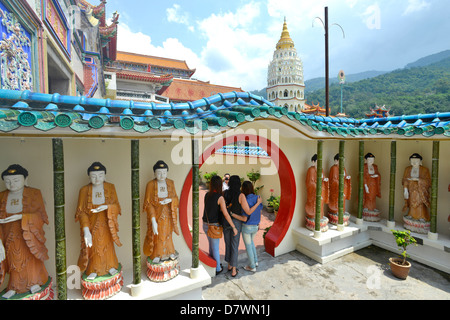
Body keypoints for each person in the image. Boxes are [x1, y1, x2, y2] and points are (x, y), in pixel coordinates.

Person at [0, 164, 51, 299]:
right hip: (8, 235)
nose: (12, 184)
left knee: (30, 257)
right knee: (13, 261)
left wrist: (21, 217)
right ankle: (14, 287)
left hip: (29, 234)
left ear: (25, 179)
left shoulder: (34, 193)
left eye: (16, 180)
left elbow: (41, 215)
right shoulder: (1, 196)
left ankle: (35, 282)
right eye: (8, 181)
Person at [75, 162, 122, 280]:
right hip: (92, 225)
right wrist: (86, 230)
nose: (97, 179)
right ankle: (93, 269)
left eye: (100, 175)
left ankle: (110, 265)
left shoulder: (110, 187)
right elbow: (81, 212)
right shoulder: (84, 190)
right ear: (89, 177)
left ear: (105, 176)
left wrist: (107, 207)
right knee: (94, 247)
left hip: (107, 223)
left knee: (108, 246)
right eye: (93, 176)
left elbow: (117, 206)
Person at [143, 160, 180, 264]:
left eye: (164, 172)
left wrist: (171, 200)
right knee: (157, 235)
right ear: (154, 173)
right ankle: (157, 254)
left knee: (168, 234)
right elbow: (148, 203)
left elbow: (176, 198)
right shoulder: (150, 184)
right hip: (157, 214)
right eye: (159, 173)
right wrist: (153, 220)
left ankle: (170, 252)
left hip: (168, 213)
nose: (162, 175)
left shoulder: (170, 183)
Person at [202, 175, 237, 275]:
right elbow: (225, 214)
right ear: (219, 185)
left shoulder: (206, 194)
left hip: (205, 224)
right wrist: (233, 227)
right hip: (214, 226)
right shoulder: (220, 197)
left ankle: (212, 264)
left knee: (211, 247)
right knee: (215, 248)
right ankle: (217, 268)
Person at [223, 175, 248, 277]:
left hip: (226, 221)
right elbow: (246, 210)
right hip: (236, 222)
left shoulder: (225, 193)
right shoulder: (241, 195)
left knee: (228, 244)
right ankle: (234, 270)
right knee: (234, 246)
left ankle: (229, 265)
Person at [241, 181, 263, 272]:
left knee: (248, 246)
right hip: (256, 225)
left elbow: (247, 213)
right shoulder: (258, 198)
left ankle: (252, 266)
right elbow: (260, 211)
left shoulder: (245, 200)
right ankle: (256, 261)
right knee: (251, 244)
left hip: (247, 226)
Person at [402, 153, 431, 221]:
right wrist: (405, 189)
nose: (414, 163)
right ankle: (410, 214)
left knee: (420, 203)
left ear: (420, 162)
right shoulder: (408, 169)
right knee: (412, 202)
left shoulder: (425, 170)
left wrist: (418, 179)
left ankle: (422, 216)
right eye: (412, 161)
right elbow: (404, 180)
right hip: (411, 189)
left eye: (416, 161)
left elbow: (428, 182)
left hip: (420, 190)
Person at [305, 154, 329, 231]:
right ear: (313, 162)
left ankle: (320, 216)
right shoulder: (311, 170)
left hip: (321, 190)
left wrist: (325, 180)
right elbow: (310, 183)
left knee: (321, 204)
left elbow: (323, 177)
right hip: (314, 192)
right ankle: (314, 217)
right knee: (315, 204)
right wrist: (317, 189)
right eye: (317, 162)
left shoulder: (320, 169)